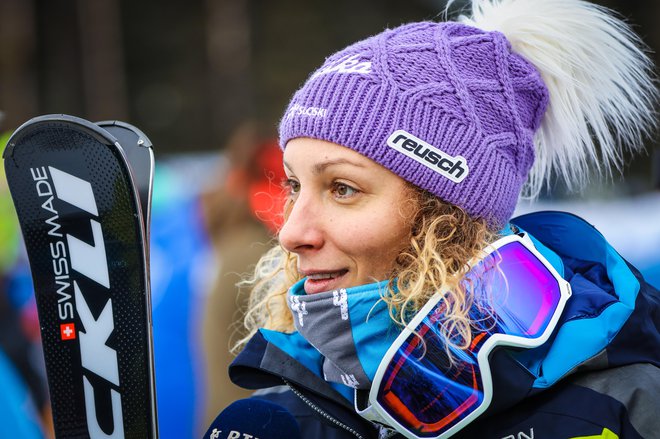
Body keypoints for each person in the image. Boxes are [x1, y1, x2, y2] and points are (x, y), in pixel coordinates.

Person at [227, 0, 660, 437]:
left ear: (449, 219)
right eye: (294, 186)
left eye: (343, 188)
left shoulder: (621, 405)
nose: (291, 233)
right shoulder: (275, 415)